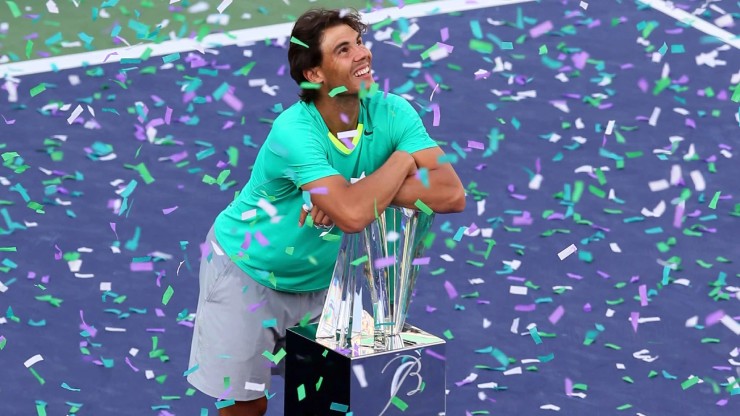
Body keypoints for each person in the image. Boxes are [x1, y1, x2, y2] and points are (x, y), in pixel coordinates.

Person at [187, 8, 466, 416]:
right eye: (343, 49)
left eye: (359, 42)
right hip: (248, 275)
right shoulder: (294, 130)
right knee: (247, 406)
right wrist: (406, 159)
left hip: (327, 284)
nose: (362, 54)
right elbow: (354, 217)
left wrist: (352, 190)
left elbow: (450, 193)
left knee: (333, 398)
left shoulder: (394, 111)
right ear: (315, 74)